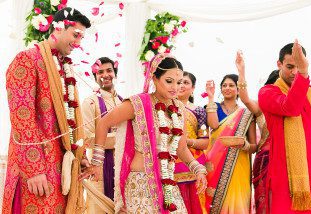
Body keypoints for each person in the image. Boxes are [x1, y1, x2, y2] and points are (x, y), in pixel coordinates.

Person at [80, 53, 208, 213]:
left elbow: (181, 149)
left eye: (179, 82)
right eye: (169, 81)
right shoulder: (138, 103)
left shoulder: (179, 109)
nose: (175, 87)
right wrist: (97, 163)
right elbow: (104, 123)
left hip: (167, 184)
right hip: (140, 185)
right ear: (154, 78)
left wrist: (198, 169)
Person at [3, 7, 91, 214]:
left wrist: (81, 154)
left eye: (82, 37)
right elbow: (21, 117)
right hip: (37, 171)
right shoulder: (27, 60)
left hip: (62, 167)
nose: (78, 43)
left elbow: (71, 117)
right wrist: (34, 169)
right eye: (75, 35)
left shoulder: (63, 67)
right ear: (58, 28)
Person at [258, 40, 311, 213]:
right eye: (290, 66)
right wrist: (303, 73)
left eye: (298, 66)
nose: (294, 72)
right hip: (286, 176)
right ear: (279, 64)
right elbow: (291, 107)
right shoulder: (268, 92)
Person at [204, 74, 257, 213]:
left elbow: (254, 146)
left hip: (239, 163)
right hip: (214, 163)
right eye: (224, 85)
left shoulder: (246, 113)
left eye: (231, 85)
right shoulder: (213, 107)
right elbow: (214, 125)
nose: (227, 88)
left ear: (238, 89)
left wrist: (244, 145)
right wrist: (210, 97)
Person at [235, 50, 279, 214]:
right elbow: (245, 98)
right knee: (264, 201)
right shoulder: (262, 107)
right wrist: (241, 71)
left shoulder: (291, 109)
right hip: (265, 160)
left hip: (287, 160)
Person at [82, 57, 122, 213]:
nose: (105, 75)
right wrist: (120, 139)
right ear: (95, 77)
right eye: (100, 72)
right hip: (98, 167)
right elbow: (88, 139)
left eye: (109, 70)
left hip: (122, 167)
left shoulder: (123, 102)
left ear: (115, 73)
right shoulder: (90, 103)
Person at [175, 71, 209, 214]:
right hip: (170, 165)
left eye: (186, 82)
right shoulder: (164, 108)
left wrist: (184, 142)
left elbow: (205, 142)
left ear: (193, 88)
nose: (181, 85)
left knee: (196, 206)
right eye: (179, 82)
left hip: (193, 164)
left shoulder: (199, 111)